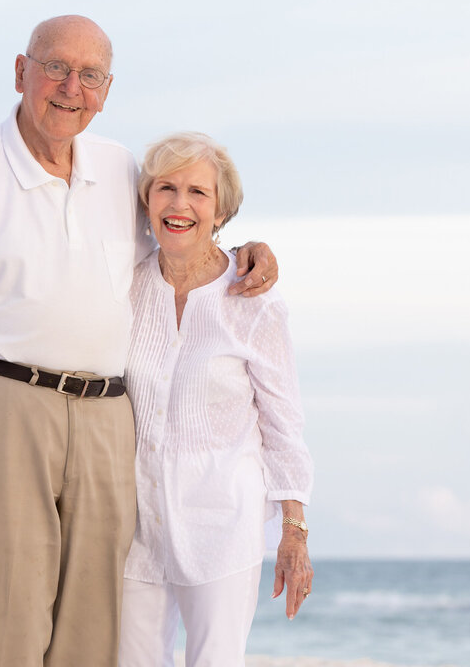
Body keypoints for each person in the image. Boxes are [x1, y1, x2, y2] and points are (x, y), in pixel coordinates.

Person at [0, 15, 278, 667]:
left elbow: (179, 243)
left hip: (106, 421)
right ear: (20, 72)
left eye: (90, 75)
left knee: (94, 637)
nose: (72, 88)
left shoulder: (121, 168)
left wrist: (243, 253)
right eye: (55, 68)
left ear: (107, 89)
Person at [118, 133, 314, 667]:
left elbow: (282, 423)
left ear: (221, 209)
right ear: (147, 201)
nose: (180, 205)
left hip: (224, 522)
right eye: (166, 188)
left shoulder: (253, 298)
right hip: (135, 522)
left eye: (197, 193)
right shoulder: (123, 287)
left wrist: (293, 531)